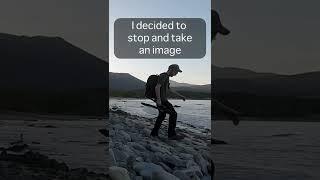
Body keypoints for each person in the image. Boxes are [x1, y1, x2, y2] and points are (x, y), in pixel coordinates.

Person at [150, 64, 186, 140]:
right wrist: (159, 100)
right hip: (162, 100)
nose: (176, 74)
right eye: (176, 72)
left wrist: (180, 96)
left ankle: (154, 133)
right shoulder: (164, 76)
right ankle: (171, 135)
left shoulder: (166, 77)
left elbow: (170, 89)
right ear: (172, 69)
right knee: (173, 114)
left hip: (162, 100)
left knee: (161, 116)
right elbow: (157, 87)